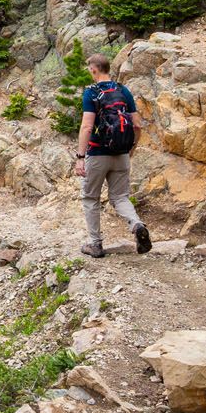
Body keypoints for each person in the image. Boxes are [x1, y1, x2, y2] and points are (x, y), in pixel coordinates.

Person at [74, 52, 151, 258]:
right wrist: (130, 150)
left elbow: (87, 126)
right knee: (120, 197)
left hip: (98, 153)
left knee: (90, 198)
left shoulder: (91, 93)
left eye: (90, 70)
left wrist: (80, 157)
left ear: (94, 69)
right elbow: (136, 125)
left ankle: (95, 244)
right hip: (122, 153)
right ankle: (136, 224)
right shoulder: (123, 90)